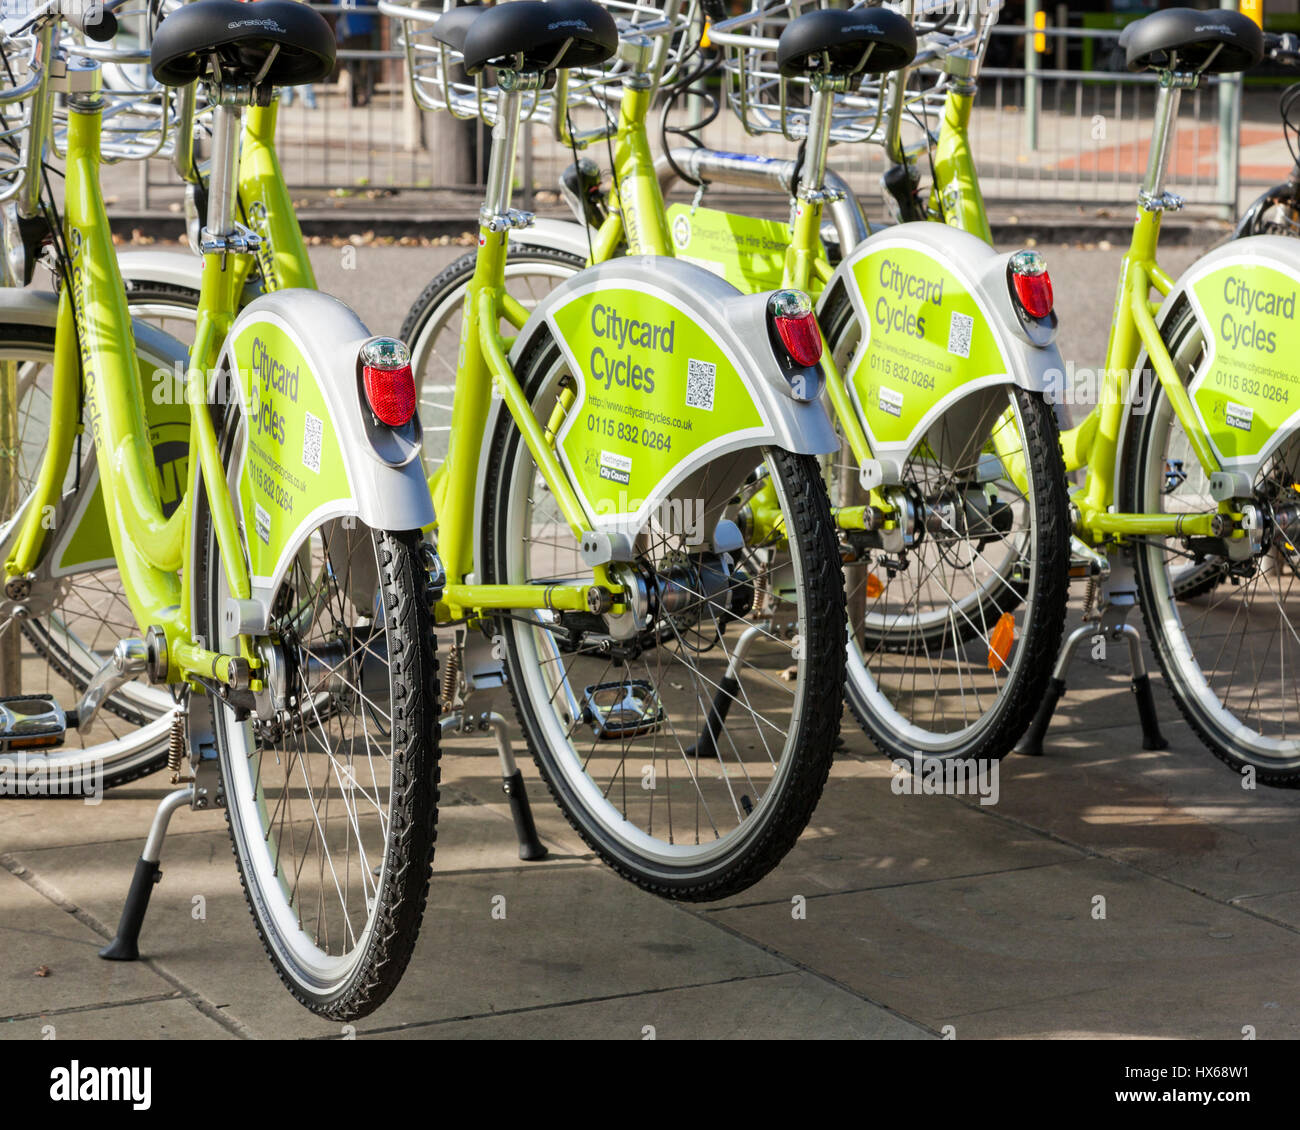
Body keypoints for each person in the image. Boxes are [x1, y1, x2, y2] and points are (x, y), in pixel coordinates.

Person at [337, 0, 380, 108]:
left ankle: (363, 91)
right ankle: (356, 96)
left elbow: (338, 7)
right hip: (365, 27)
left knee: (351, 64)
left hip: (351, 29)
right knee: (360, 64)